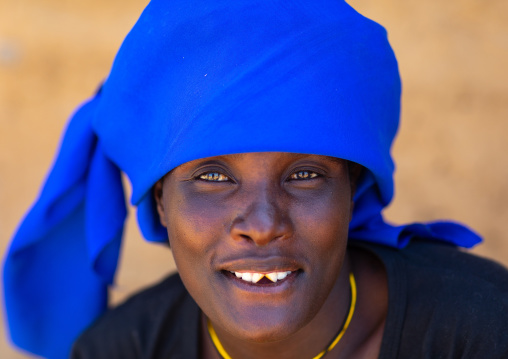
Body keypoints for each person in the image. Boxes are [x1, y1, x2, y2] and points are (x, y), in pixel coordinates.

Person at [3, 0, 508, 358]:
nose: (263, 225)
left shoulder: (483, 332)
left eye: (305, 175)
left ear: (352, 191)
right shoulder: (122, 350)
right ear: (160, 201)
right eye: (214, 177)